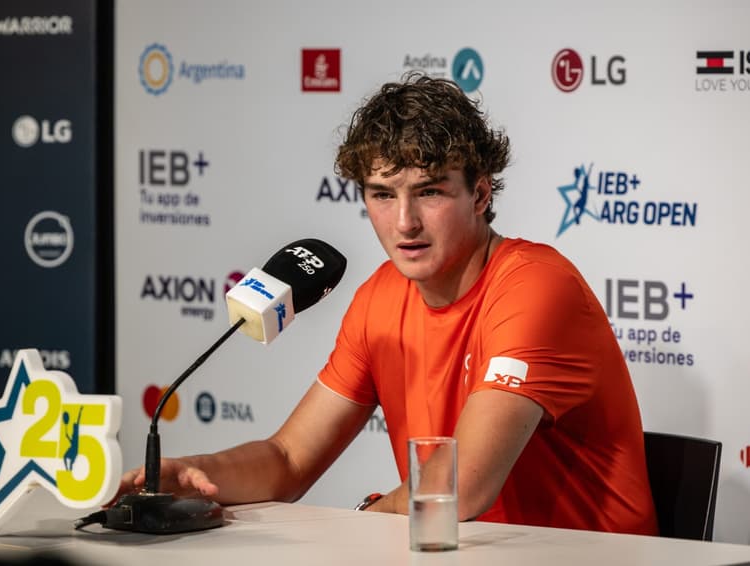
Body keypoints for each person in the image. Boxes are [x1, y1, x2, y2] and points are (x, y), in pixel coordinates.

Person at [112, 72, 658, 535]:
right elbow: (288, 461)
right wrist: (192, 472)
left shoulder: (536, 286)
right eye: (381, 194)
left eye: (430, 192)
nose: (404, 223)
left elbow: (458, 489)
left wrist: (366, 517)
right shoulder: (380, 298)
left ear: (482, 194)